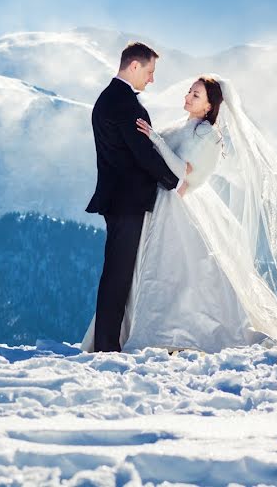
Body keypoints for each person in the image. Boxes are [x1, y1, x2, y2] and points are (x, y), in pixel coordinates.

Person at [80, 75, 277, 353]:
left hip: (177, 206)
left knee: (179, 269)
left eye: (196, 95)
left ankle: (175, 333)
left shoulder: (208, 136)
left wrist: (155, 139)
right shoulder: (182, 127)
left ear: (209, 106)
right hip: (158, 203)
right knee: (152, 268)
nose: (188, 97)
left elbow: (182, 173)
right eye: (189, 91)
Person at [85, 42, 181, 352]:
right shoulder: (124, 102)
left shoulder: (110, 98)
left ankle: (108, 341)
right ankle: (106, 345)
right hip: (127, 201)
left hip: (118, 198)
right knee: (119, 273)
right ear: (134, 66)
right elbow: (143, 153)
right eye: (150, 72)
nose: (151, 80)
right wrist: (174, 181)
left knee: (119, 271)